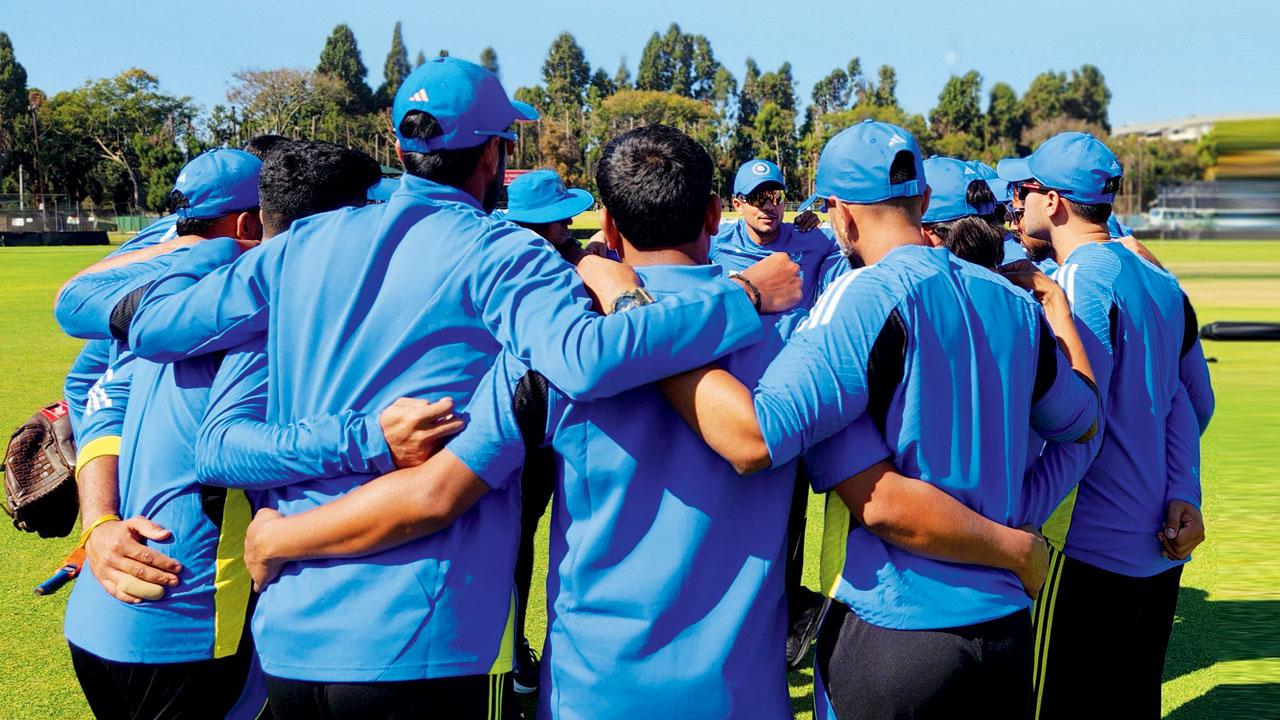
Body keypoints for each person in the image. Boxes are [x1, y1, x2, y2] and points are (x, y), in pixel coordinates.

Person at [235, 123, 1066, 720]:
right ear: (716, 217)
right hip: (743, 696)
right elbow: (880, 485)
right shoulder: (791, 346)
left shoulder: (552, 352)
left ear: (607, 223)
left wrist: (283, 539)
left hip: (595, 693)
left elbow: (431, 497)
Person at [119, 58, 801, 719]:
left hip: (293, 636)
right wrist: (741, 294)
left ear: (397, 144)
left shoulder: (302, 245)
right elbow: (582, 359)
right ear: (494, 157)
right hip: (423, 635)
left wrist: (195, 248)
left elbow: (151, 328)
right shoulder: (504, 252)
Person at [659, 119, 1102, 720]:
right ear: (921, 201)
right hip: (1002, 632)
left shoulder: (862, 293)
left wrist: (639, 329)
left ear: (840, 215)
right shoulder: (1015, 303)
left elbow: (752, 438)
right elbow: (1081, 424)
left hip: (896, 631)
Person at [997, 132, 1214, 719]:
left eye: (1023, 191)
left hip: (1086, 552)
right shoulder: (1158, 278)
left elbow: (1077, 422)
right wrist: (1183, 493)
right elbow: (1189, 406)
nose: (1015, 204)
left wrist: (1019, 517)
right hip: (1158, 552)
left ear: (1054, 202)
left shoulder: (1078, 281)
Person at [714, 158, 844, 666]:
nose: (770, 206)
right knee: (730, 523)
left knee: (788, 523)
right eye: (758, 196)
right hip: (732, 404)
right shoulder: (718, 248)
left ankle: (788, 623)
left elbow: (844, 278)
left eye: (777, 195)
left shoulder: (812, 243)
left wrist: (826, 231)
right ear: (737, 203)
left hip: (790, 405)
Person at [496, 166, 601, 694]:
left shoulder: (492, 260)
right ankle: (515, 661)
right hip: (534, 432)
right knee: (524, 546)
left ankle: (514, 659)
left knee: (510, 547)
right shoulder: (562, 270)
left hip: (493, 428)